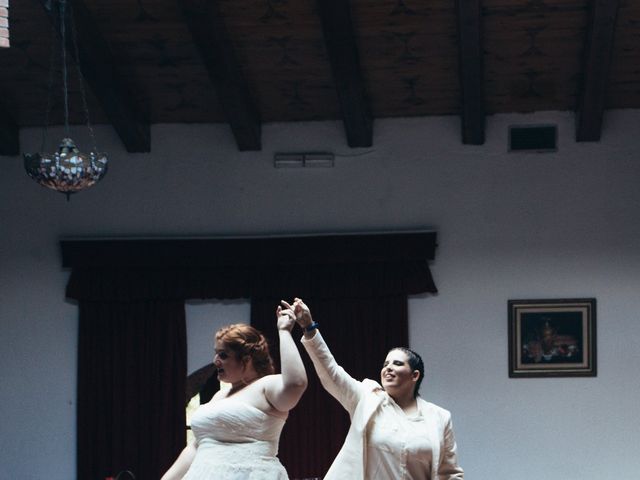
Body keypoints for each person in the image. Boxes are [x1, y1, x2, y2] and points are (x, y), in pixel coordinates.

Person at [291, 297, 463, 480]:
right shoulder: (366, 398)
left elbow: (450, 473)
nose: (388, 368)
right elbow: (332, 373)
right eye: (385, 364)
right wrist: (309, 328)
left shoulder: (439, 418)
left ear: (415, 376)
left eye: (397, 363)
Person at [161, 301, 307, 480]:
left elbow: (297, 384)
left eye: (223, 355)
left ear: (247, 359)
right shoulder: (219, 396)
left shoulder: (267, 386)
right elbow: (197, 446)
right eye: (216, 354)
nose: (216, 361)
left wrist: (284, 332)